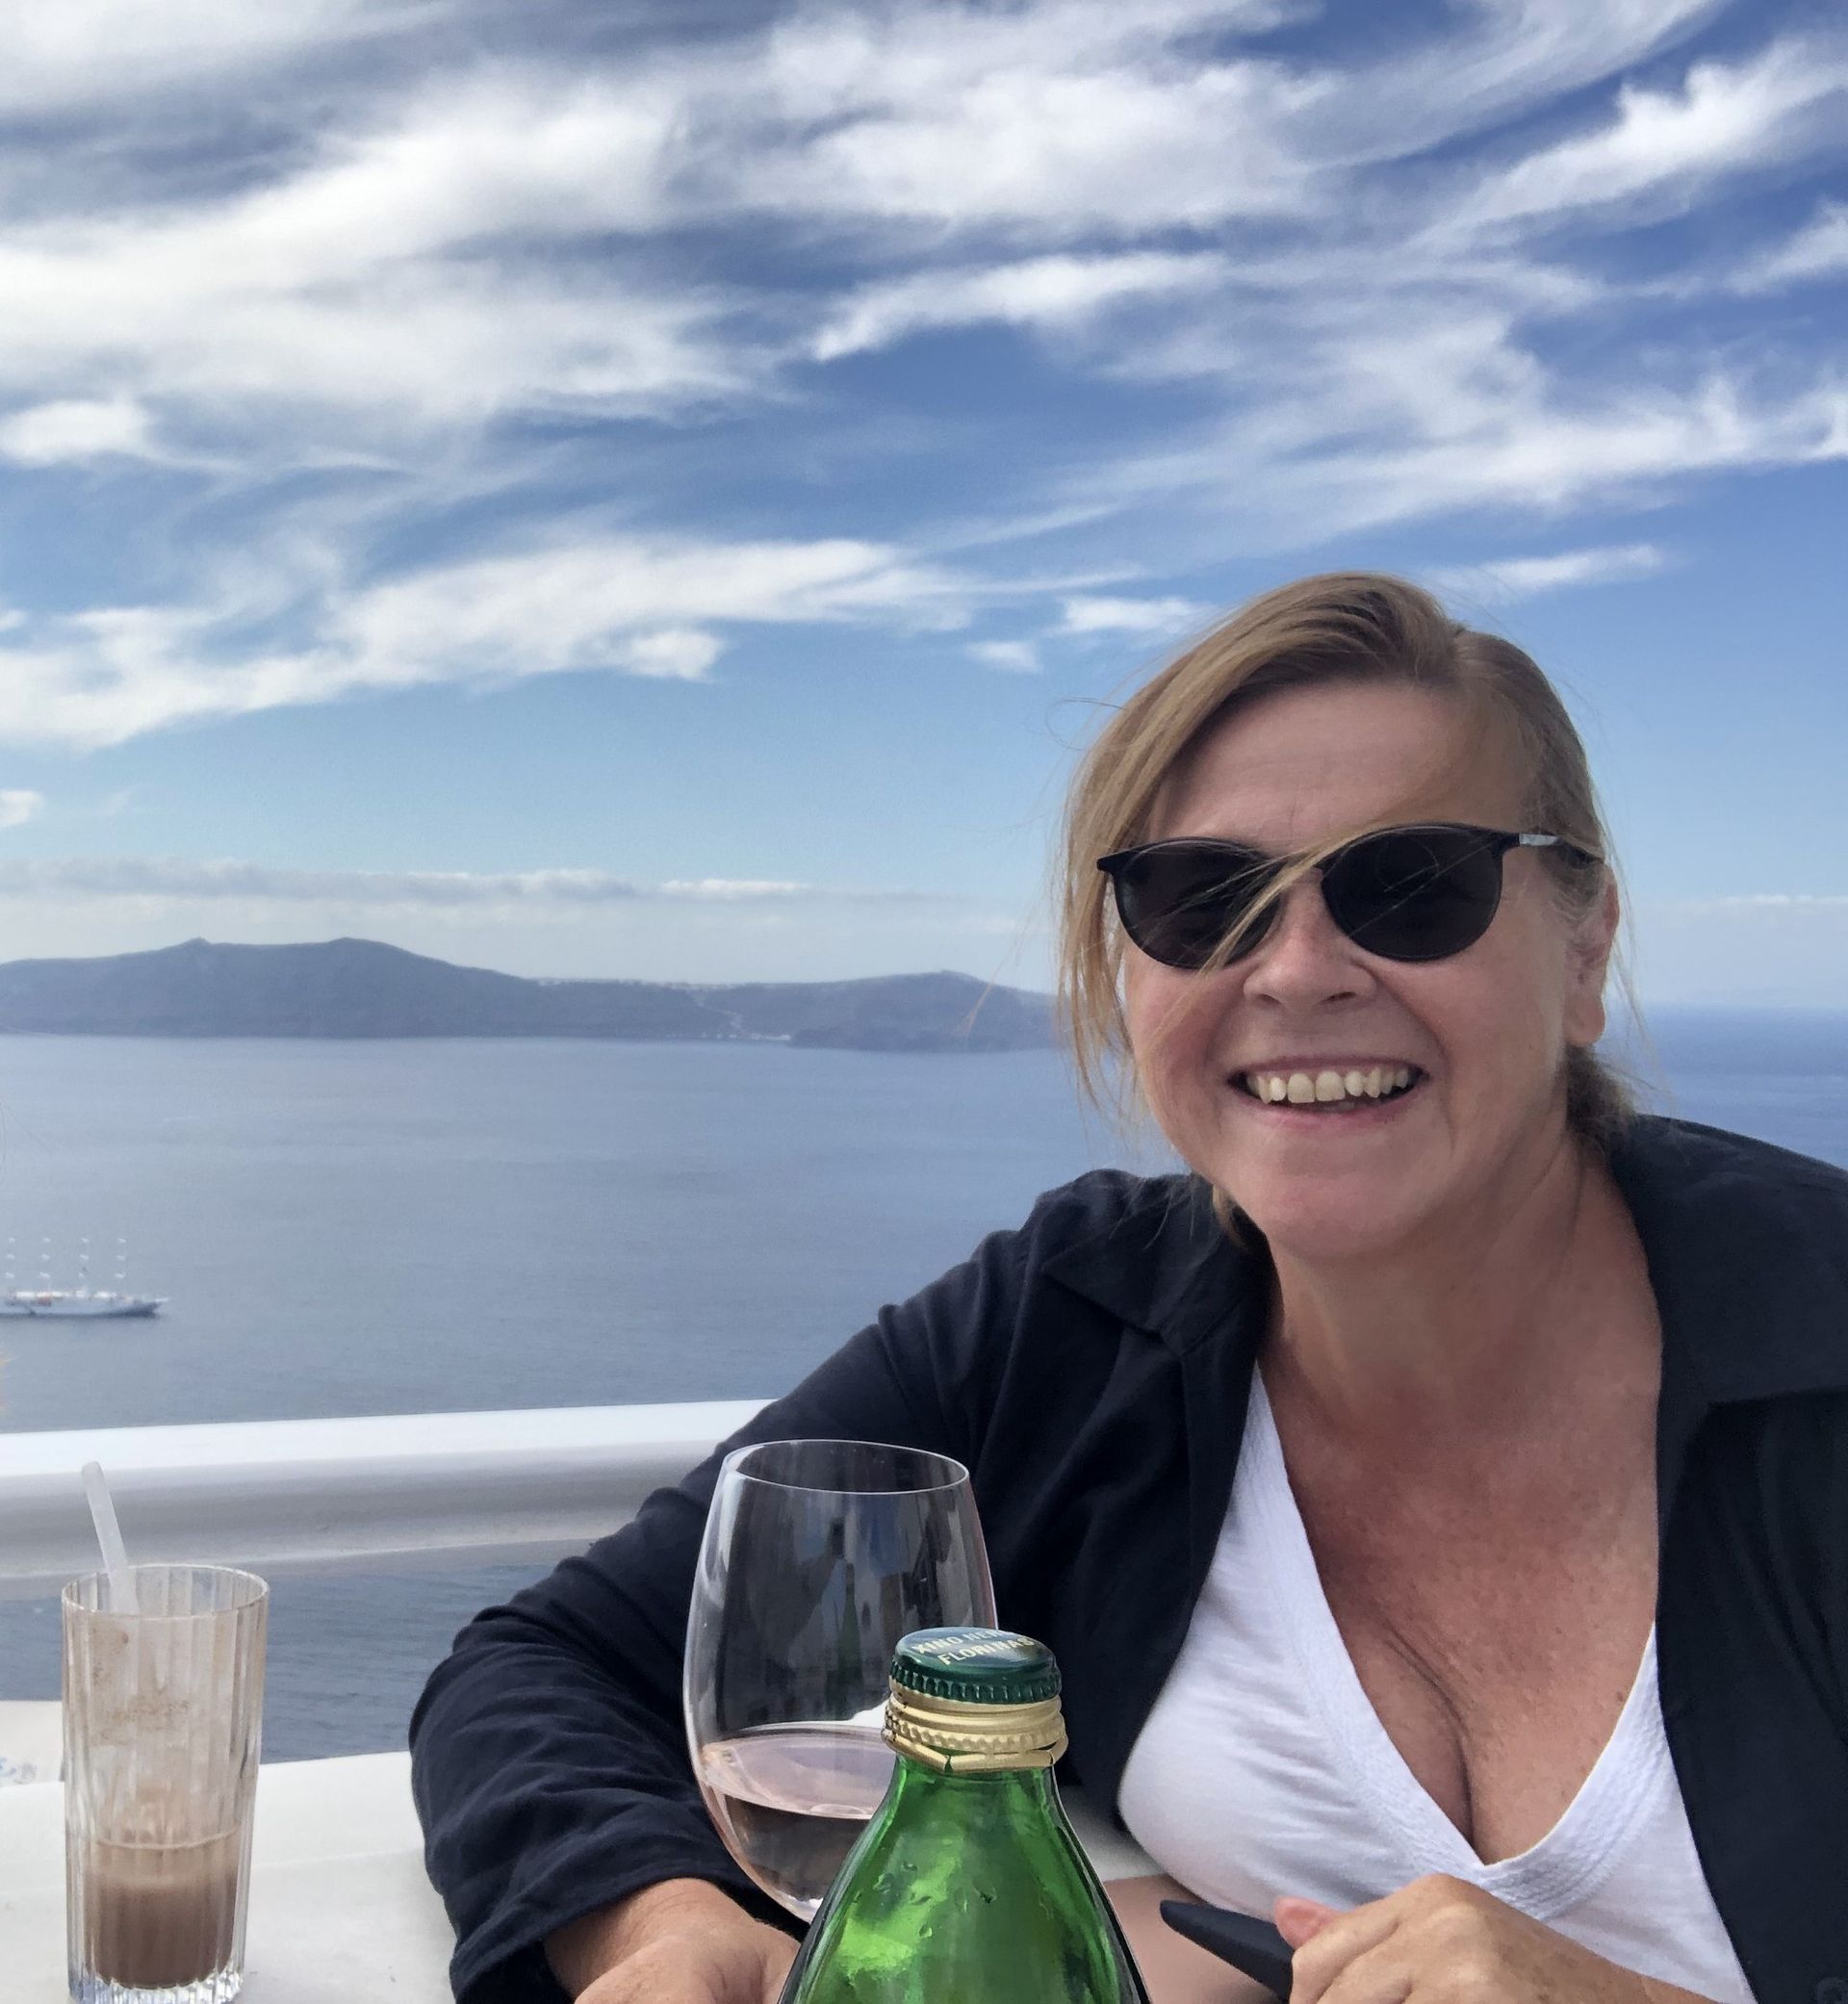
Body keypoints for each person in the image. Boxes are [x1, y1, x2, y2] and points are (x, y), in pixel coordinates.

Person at [412, 574, 1848, 2004]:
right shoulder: (1076, 1325)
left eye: (1412, 884)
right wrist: (658, 1924)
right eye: (1201, 898)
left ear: (1585, 946)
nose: (1296, 971)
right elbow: (546, 1666)